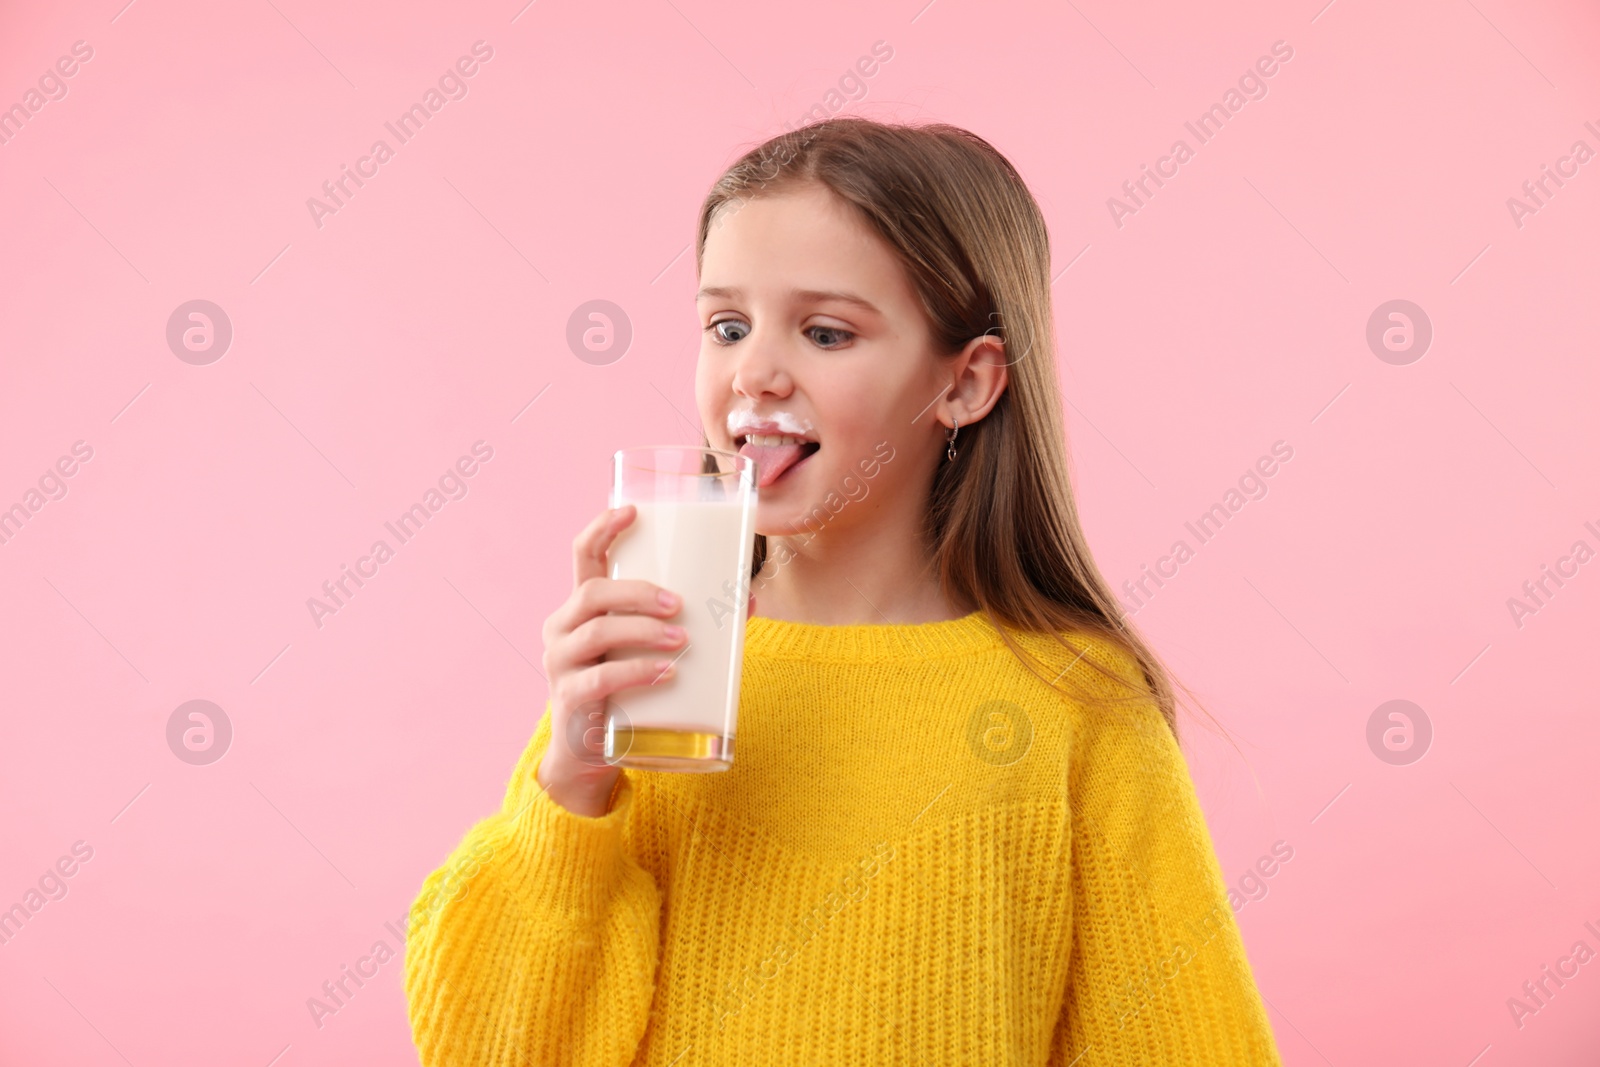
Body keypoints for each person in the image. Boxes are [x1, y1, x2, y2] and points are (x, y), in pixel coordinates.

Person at [404, 116, 1283, 1065]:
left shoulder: (1076, 700)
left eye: (826, 331)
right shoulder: (659, 667)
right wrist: (572, 779)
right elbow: (489, 1047)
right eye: (726, 325)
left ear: (967, 383)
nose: (755, 372)